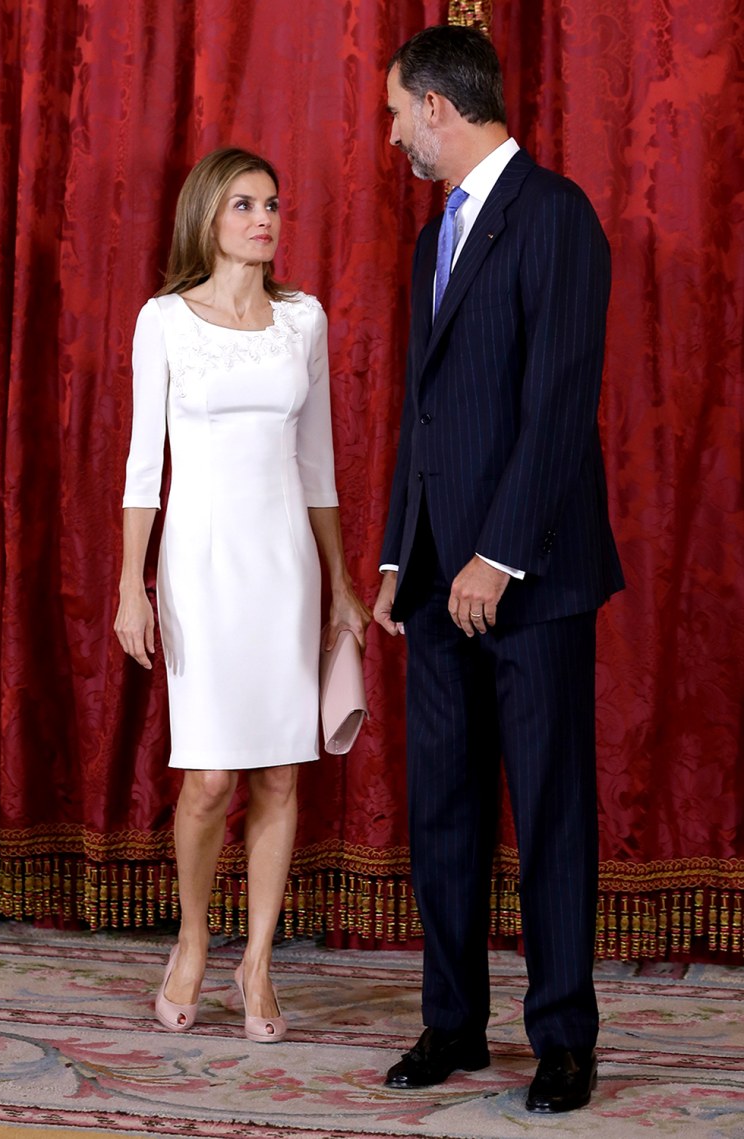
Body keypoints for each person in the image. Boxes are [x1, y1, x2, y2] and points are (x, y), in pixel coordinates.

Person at [373, 26, 624, 1113]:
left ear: (437, 105)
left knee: (550, 807)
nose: (391, 136)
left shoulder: (555, 214)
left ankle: (563, 1038)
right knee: (446, 809)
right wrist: (398, 553)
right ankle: (453, 1023)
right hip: (434, 583)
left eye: (395, 112)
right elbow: (423, 410)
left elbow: (559, 401)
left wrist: (496, 553)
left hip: (532, 582)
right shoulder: (434, 236)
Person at [114, 146, 370, 1041]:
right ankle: (191, 939)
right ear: (207, 219)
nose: (265, 218)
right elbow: (145, 468)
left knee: (277, 770)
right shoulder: (164, 320)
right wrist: (130, 586)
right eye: (244, 205)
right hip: (200, 567)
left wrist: (340, 582)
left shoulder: (303, 320)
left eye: (273, 203)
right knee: (211, 776)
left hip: (284, 568)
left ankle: (256, 964)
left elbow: (319, 467)